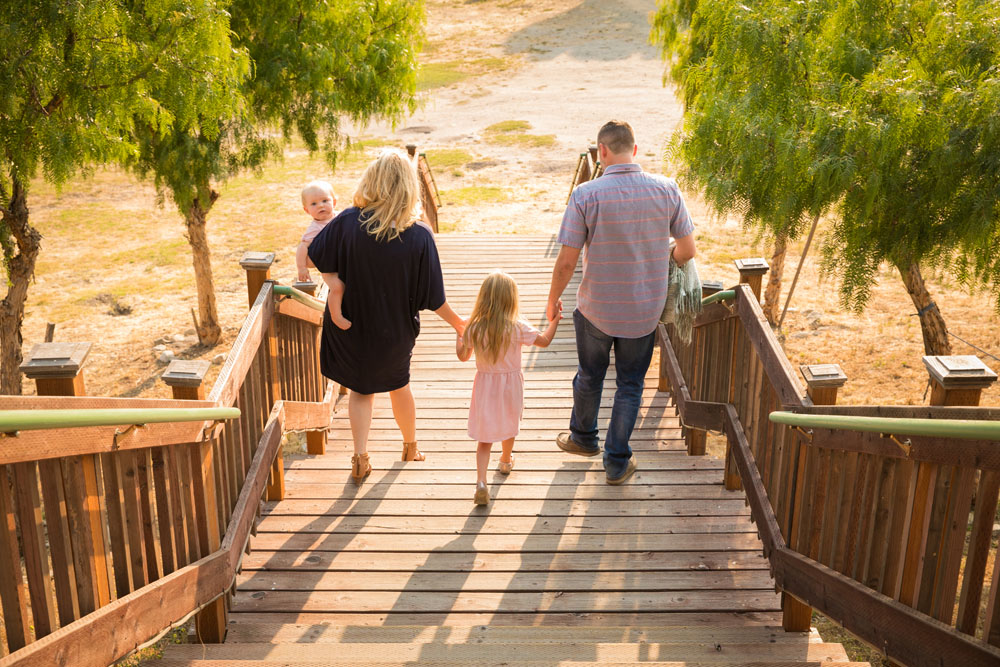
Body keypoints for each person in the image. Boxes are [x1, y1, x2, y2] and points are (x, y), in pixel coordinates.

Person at [546, 120, 696, 485]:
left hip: (596, 308)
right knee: (630, 384)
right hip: (643, 313)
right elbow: (687, 250)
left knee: (589, 375)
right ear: (636, 149)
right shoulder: (667, 189)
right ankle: (616, 462)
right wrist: (659, 261)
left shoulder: (585, 195)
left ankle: (583, 439)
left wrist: (552, 300)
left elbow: (567, 261)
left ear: (602, 152)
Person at [308, 150, 465, 483]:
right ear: (408, 187)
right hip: (394, 331)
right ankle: (410, 446)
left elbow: (316, 256)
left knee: (361, 391)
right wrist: (459, 324)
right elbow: (433, 297)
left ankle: (360, 456)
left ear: (372, 181)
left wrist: (336, 284)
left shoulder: (348, 221)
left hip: (350, 325)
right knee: (399, 386)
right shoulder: (419, 235)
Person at [457, 271, 561, 505]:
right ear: (511, 299)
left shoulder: (475, 327)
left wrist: (460, 336)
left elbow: (463, 356)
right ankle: (505, 460)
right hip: (510, 385)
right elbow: (544, 341)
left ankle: (481, 482)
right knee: (509, 423)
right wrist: (555, 321)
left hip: (485, 385)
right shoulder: (517, 326)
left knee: (484, 438)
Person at [295, 180, 350, 330]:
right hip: (329, 269)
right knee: (337, 287)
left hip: (344, 263)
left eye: (325, 200)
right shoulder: (314, 228)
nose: (320, 205)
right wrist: (301, 268)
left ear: (335, 201)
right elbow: (303, 247)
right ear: (307, 210)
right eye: (314, 204)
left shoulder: (342, 218)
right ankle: (336, 316)